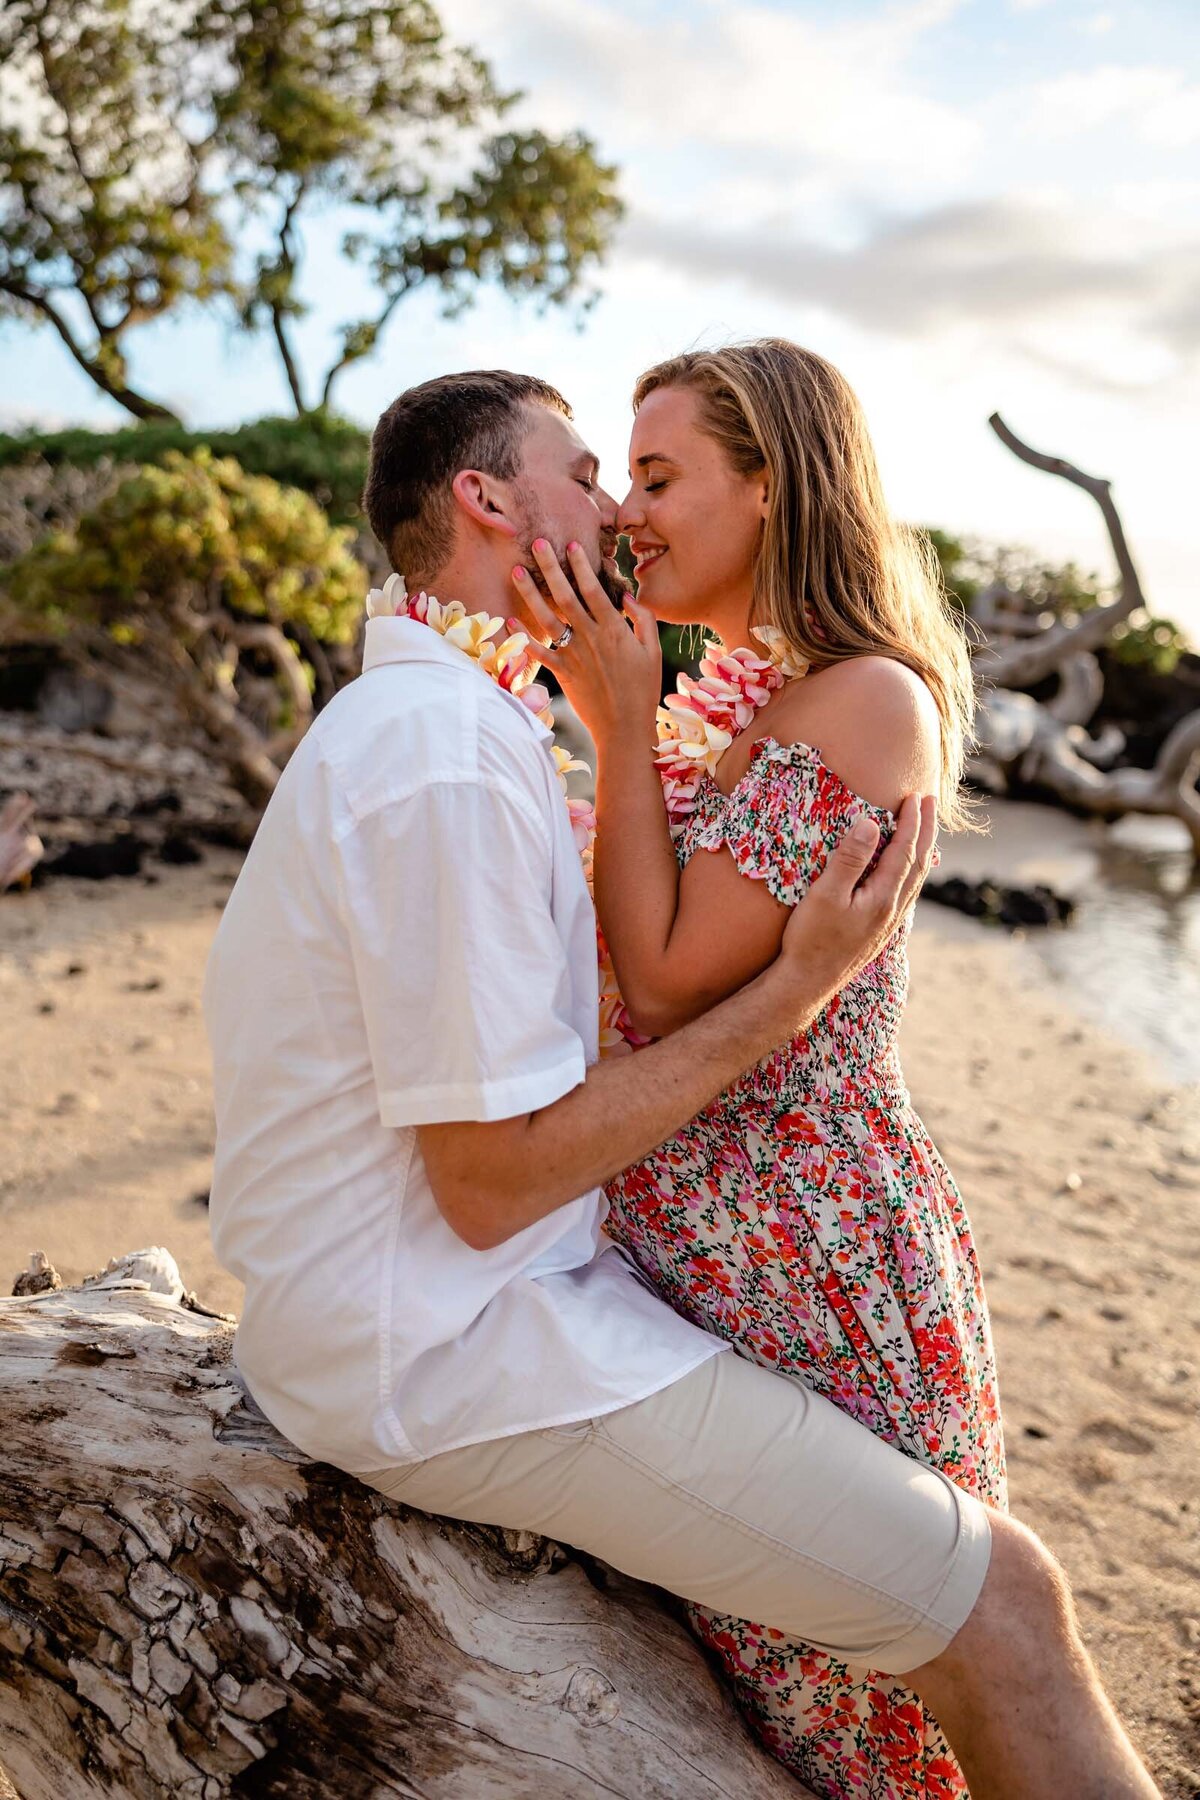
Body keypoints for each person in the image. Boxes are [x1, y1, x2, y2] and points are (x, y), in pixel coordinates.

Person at [203, 369, 1159, 1800]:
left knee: (898, 1658)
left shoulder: (464, 731)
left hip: (548, 1287)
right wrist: (789, 991)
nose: (617, 511)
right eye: (596, 473)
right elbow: (493, 1175)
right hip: (460, 1336)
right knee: (994, 1607)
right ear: (486, 502)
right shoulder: (445, 754)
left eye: (648, 478)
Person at [508, 339, 1001, 1797]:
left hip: (809, 1272)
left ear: (771, 487)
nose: (627, 513)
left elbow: (662, 978)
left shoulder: (862, 699)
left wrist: (611, 718)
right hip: (692, 1271)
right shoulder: (745, 698)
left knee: (853, 1724)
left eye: (657, 477)